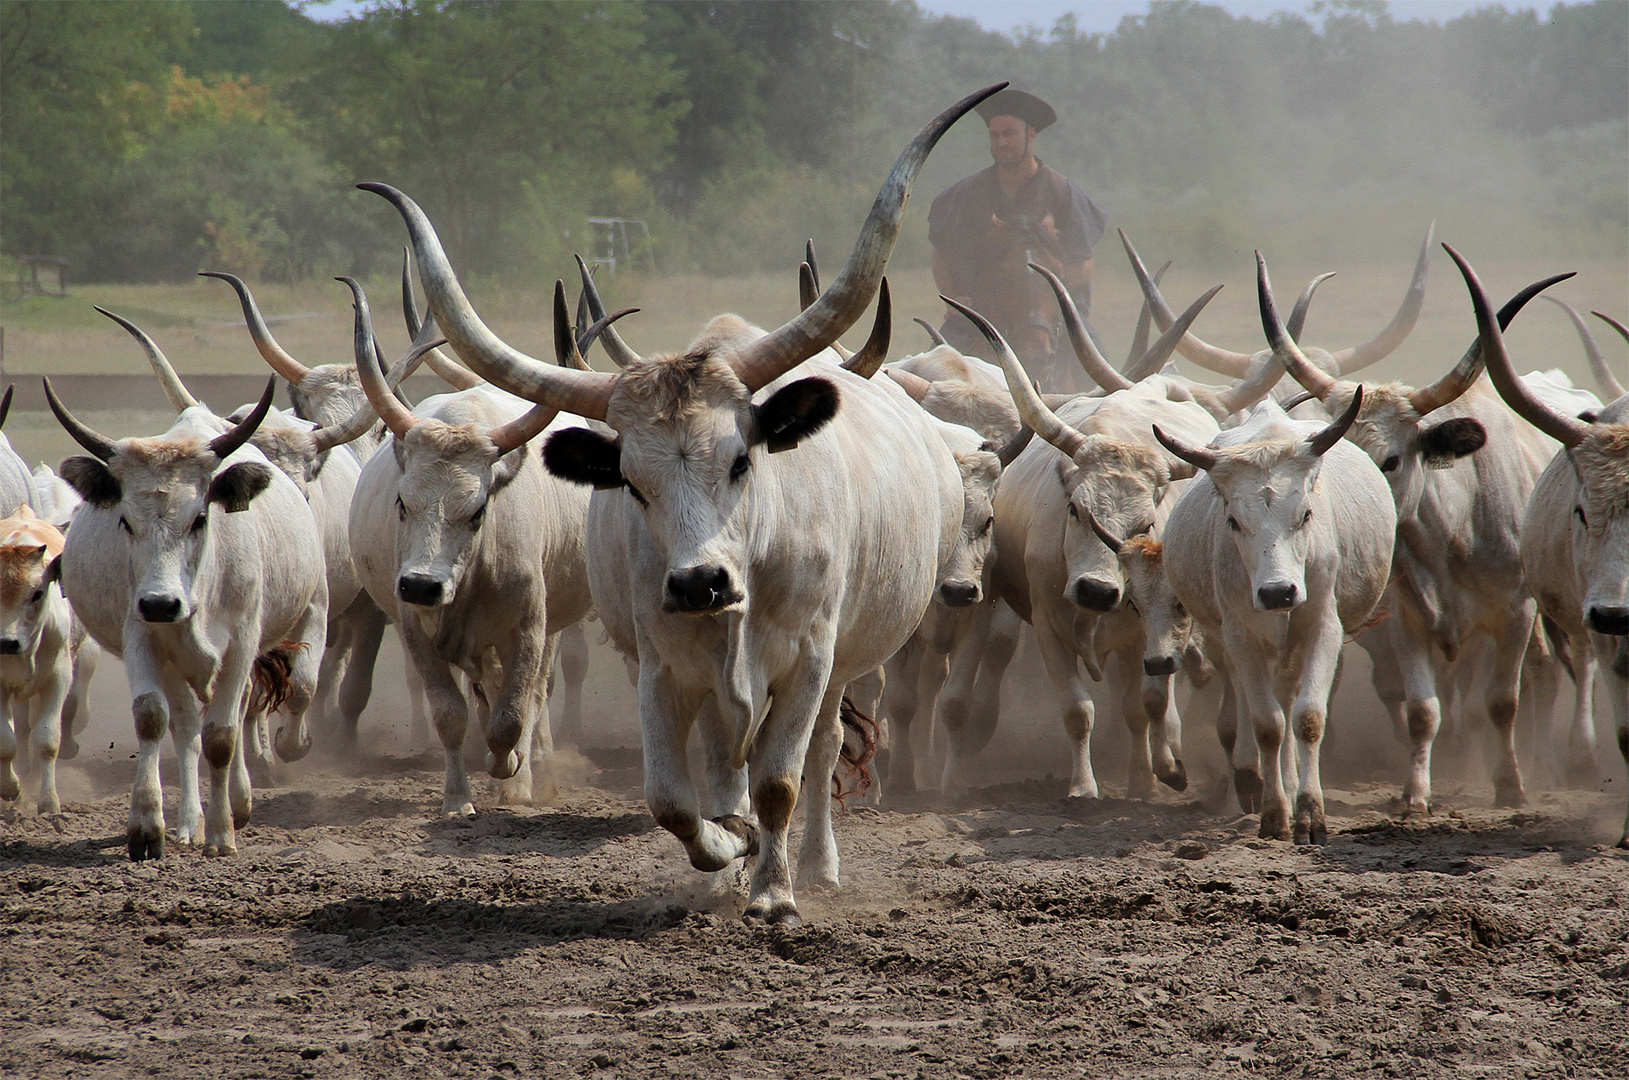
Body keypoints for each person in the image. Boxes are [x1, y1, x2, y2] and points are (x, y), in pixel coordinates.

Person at [928, 88, 1107, 381]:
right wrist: (955, 300)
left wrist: (1051, 296)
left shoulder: (1063, 193)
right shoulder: (965, 195)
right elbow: (942, 255)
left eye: (1009, 134)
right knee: (936, 372)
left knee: (1098, 372)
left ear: (1031, 135)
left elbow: (1084, 261)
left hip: (1053, 317)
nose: (1000, 142)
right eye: (994, 135)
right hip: (981, 315)